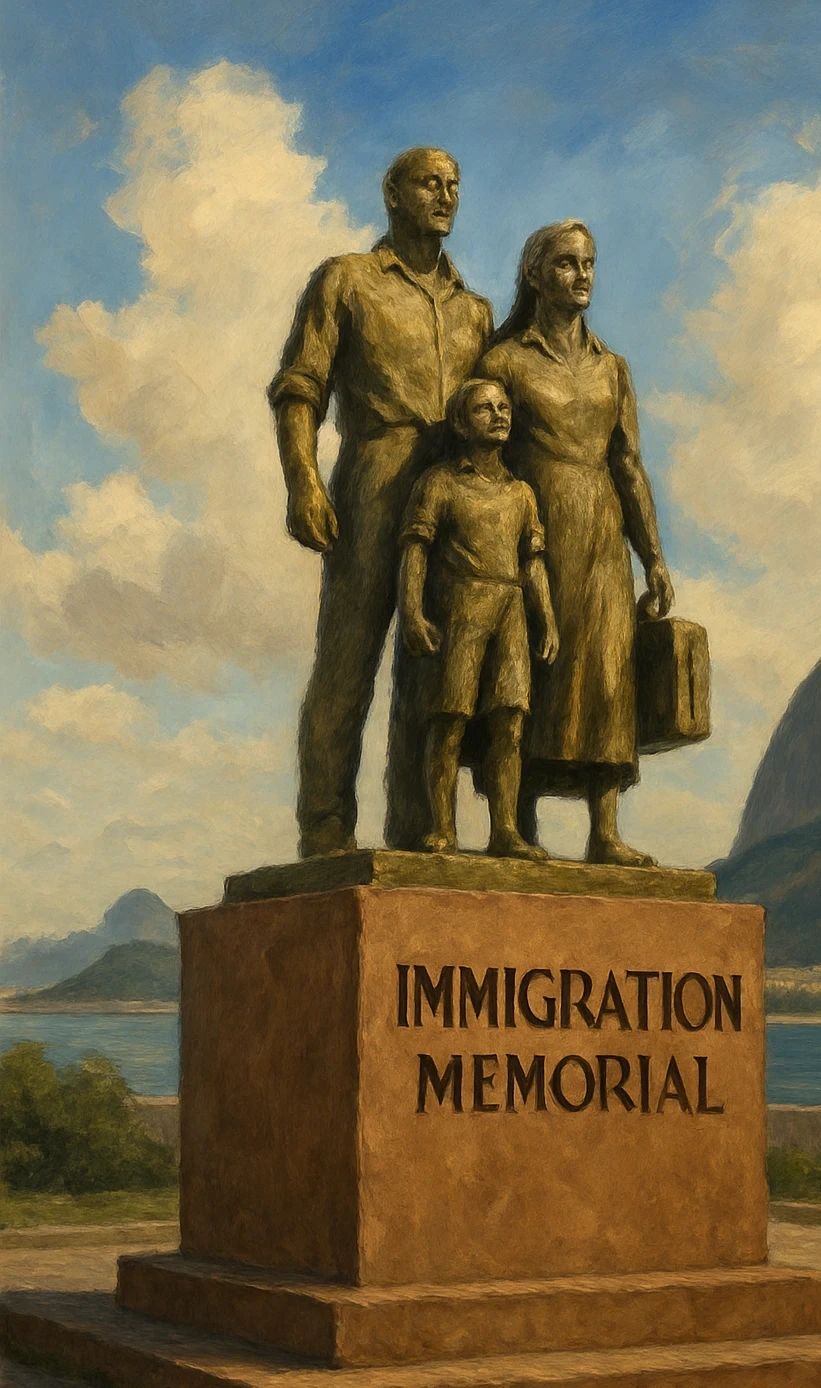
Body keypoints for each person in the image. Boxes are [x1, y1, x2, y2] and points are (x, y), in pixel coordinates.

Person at [269, 147, 493, 858]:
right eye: (431, 183)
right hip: (372, 477)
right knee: (348, 658)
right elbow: (299, 388)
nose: (446, 195)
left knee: (432, 670)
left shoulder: (475, 311)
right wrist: (303, 480)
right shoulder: (347, 281)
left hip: (453, 498)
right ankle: (326, 827)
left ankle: (416, 829)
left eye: (455, 184)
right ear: (393, 195)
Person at [478, 221, 674, 866]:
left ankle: (605, 829)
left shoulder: (611, 368)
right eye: (565, 263)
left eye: (589, 263)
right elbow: (482, 452)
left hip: (600, 538)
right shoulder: (505, 361)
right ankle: (516, 822)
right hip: (532, 530)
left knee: (606, 671)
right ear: (535, 274)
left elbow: (630, 465)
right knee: (533, 667)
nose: (582, 274)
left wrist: (653, 557)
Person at [398, 379, 558, 859]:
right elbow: (415, 548)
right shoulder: (439, 483)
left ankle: (505, 830)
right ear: (462, 423)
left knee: (509, 722)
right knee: (450, 720)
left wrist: (546, 619)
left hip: (509, 610)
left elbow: (533, 561)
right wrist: (410, 611)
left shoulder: (522, 494)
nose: (499, 414)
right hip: (460, 608)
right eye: (485, 408)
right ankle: (443, 828)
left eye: (504, 407)